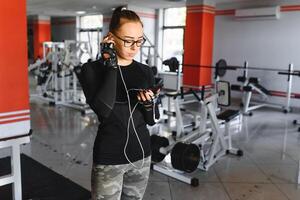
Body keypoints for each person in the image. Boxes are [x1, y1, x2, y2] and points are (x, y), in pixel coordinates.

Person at [77, 6, 157, 200]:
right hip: (109, 158)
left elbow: (151, 120)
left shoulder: (145, 71)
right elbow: (103, 110)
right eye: (128, 41)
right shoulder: (91, 70)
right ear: (111, 38)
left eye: (139, 41)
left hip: (142, 155)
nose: (135, 47)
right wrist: (111, 65)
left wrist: (148, 106)